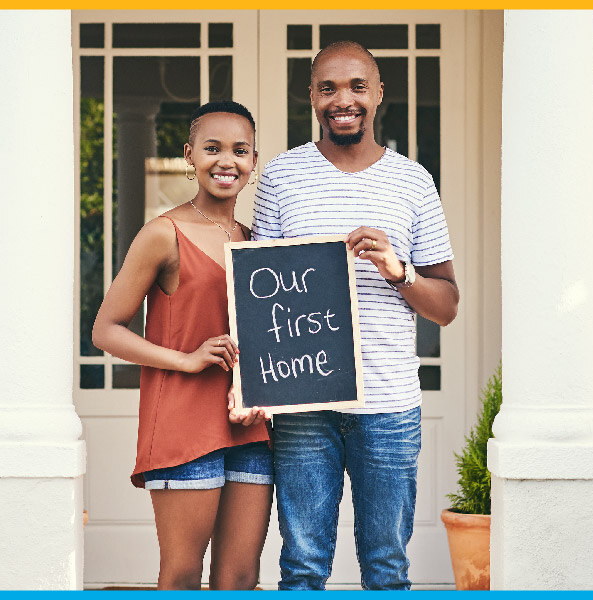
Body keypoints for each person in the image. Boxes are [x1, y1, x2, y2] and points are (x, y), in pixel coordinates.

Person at [252, 41, 459, 590]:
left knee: (387, 568)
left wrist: (401, 270)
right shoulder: (280, 176)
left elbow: (448, 306)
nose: (343, 99)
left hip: (389, 402)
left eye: (357, 86)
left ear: (379, 94)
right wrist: (254, 387)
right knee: (301, 566)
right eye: (328, 87)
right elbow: (257, 296)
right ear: (312, 97)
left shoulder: (414, 181)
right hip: (303, 401)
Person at [92, 100, 273, 590]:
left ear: (254, 161)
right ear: (190, 155)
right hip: (183, 425)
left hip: (248, 426)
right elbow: (106, 329)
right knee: (182, 573)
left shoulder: (257, 241)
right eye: (212, 149)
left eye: (240, 150)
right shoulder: (162, 234)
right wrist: (187, 360)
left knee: (240, 576)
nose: (226, 161)